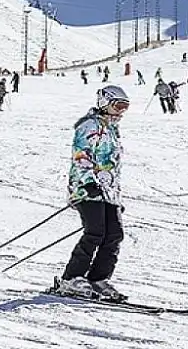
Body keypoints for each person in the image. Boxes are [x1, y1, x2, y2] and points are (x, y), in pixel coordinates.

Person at [52, 85, 130, 302]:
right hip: (86, 189)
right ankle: (71, 278)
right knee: (95, 232)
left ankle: (98, 279)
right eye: (118, 106)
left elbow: (113, 164)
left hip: (109, 191)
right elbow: (81, 156)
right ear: (105, 103)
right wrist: (87, 182)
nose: (121, 111)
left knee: (114, 235)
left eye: (125, 107)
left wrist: (116, 194)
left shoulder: (113, 129)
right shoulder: (89, 126)